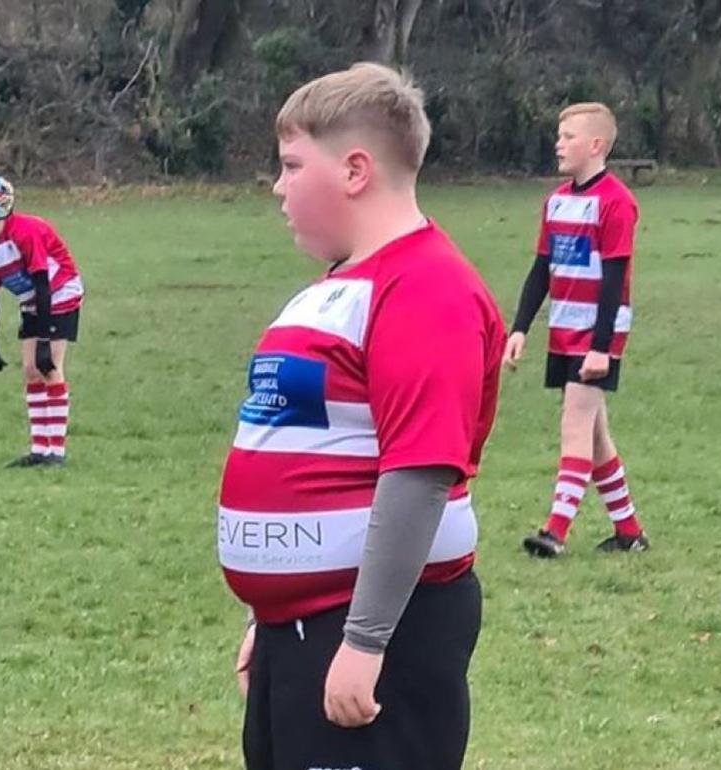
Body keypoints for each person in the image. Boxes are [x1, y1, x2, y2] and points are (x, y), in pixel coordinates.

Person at [217, 63, 506, 770]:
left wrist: (367, 638)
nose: (279, 189)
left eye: (290, 166)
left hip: (377, 631)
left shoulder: (426, 289)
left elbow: (419, 475)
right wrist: (273, 616)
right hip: (306, 633)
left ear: (354, 170)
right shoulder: (338, 287)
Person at [504, 103, 649, 558]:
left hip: (596, 334)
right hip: (564, 330)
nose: (558, 144)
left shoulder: (616, 202)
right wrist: (521, 327)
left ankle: (555, 530)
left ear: (596, 145)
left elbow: (613, 280)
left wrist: (602, 347)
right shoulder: (557, 201)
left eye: (568, 136)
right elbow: (541, 268)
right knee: (595, 434)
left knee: (574, 423)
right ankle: (629, 533)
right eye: (559, 135)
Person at [0, 176, 84, 468]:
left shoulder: (26, 232)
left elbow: (43, 284)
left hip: (59, 292)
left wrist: (44, 340)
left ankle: (55, 451)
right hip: (35, 299)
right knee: (31, 370)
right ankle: (38, 449)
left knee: (49, 367)